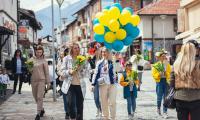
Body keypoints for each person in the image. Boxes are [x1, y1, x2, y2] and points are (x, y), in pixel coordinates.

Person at [171, 40, 200, 120]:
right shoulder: (198, 64)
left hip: (180, 98)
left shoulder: (176, 64)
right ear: (194, 50)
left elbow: (171, 82)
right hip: (196, 97)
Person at [60, 42, 87, 120]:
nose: (77, 49)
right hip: (70, 85)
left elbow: (87, 72)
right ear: (71, 49)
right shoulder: (66, 59)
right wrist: (70, 72)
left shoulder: (82, 59)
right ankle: (72, 117)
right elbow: (62, 71)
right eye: (75, 48)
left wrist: (81, 69)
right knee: (70, 104)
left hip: (80, 85)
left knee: (80, 106)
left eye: (78, 48)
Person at [91, 47, 117, 120]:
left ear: (108, 53)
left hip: (112, 84)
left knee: (112, 102)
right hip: (102, 84)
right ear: (101, 53)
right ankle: (105, 117)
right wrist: (93, 84)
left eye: (105, 52)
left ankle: (113, 118)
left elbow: (117, 69)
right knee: (103, 102)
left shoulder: (112, 61)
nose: (104, 53)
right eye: (103, 52)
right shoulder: (99, 63)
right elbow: (95, 74)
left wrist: (116, 59)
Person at [29, 46, 51, 120]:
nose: (39, 53)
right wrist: (30, 68)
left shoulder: (44, 61)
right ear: (35, 52)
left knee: (39, 97)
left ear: (42, 52)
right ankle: (42, 109)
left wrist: (48, 82)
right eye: (38, 52)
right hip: (33, 81)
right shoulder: (31, 60)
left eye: (40, 52)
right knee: (35, 97)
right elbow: (30, 71)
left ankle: (38, 114)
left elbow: (47, 73)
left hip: (42, 81)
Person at [152, 51, 171, 118]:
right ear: (159, 57)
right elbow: (154, 75)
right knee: (159, 96)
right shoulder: (156, 65)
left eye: (164, 56)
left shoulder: (167, 64)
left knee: (166, 97)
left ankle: (165, 111)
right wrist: (159, 74)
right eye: (162, 56)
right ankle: (158, 109)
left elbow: (170, 73)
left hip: (166, 81)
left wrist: (166, 73)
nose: (164, 57)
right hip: (159, 82)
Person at [88, 46, 102, 117]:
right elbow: (89, 70)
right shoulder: (91, 60)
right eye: (96, 50)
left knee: (102, 97)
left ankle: (101, 110)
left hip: (103, 80)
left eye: (99, 50)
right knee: (96, 98)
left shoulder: (103, 59)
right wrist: (93, 71)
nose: (97, 51)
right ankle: (98, 108)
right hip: (95, 81)